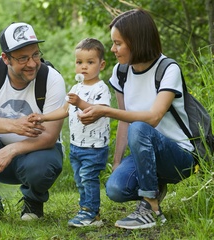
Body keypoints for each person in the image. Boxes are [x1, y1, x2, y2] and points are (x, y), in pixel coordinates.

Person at [78, 9, 196, 230]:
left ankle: (150, 206)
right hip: (145, 153)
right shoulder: (121, 71)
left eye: (118, 43)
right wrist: (117, 162)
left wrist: (105, 111)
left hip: (179, 156)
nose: (112, 49)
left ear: (137, 42)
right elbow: (125, 120)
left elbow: (153, 117)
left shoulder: (168, 69)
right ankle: (155, 186)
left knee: (140, 127)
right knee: (115, 188)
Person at [0, 22, 66, 222]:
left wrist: (12, 149)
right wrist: (13, 125)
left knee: (42, 165)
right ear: (5, 58)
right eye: (23, 58)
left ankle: (33, 203)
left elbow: (50, 137)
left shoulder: (52, 80)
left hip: (36, 155)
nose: (32, 63)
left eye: (35, 54)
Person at [28, 38, 111, 227]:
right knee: (80, 180)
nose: (84, 67)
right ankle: (86, 210)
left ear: (102, 64)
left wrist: (80, 103)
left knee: (89, 178)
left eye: (90, 62)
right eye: (79, 62)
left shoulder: (101, 88)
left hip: (94, 146)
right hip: (77, 145)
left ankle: (91, 213)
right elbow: (64, 111)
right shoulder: (76, 88)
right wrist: (43, 117)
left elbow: (99, 110)